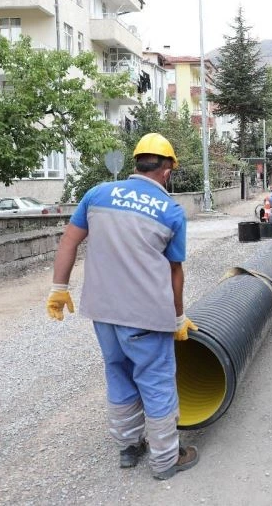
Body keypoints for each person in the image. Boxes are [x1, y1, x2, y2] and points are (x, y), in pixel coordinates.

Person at [45, 133, 199, 481]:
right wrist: (177, 317)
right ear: (167, 170)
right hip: (146, 316)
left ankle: (129, 447)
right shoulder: (171, 211)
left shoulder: (97, 194)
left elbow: (68, 241)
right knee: (156, 381)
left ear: (136, 163)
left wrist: (59, 289)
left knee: (118, 373)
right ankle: (165, 460)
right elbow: (175, 272)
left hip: (103, 312)